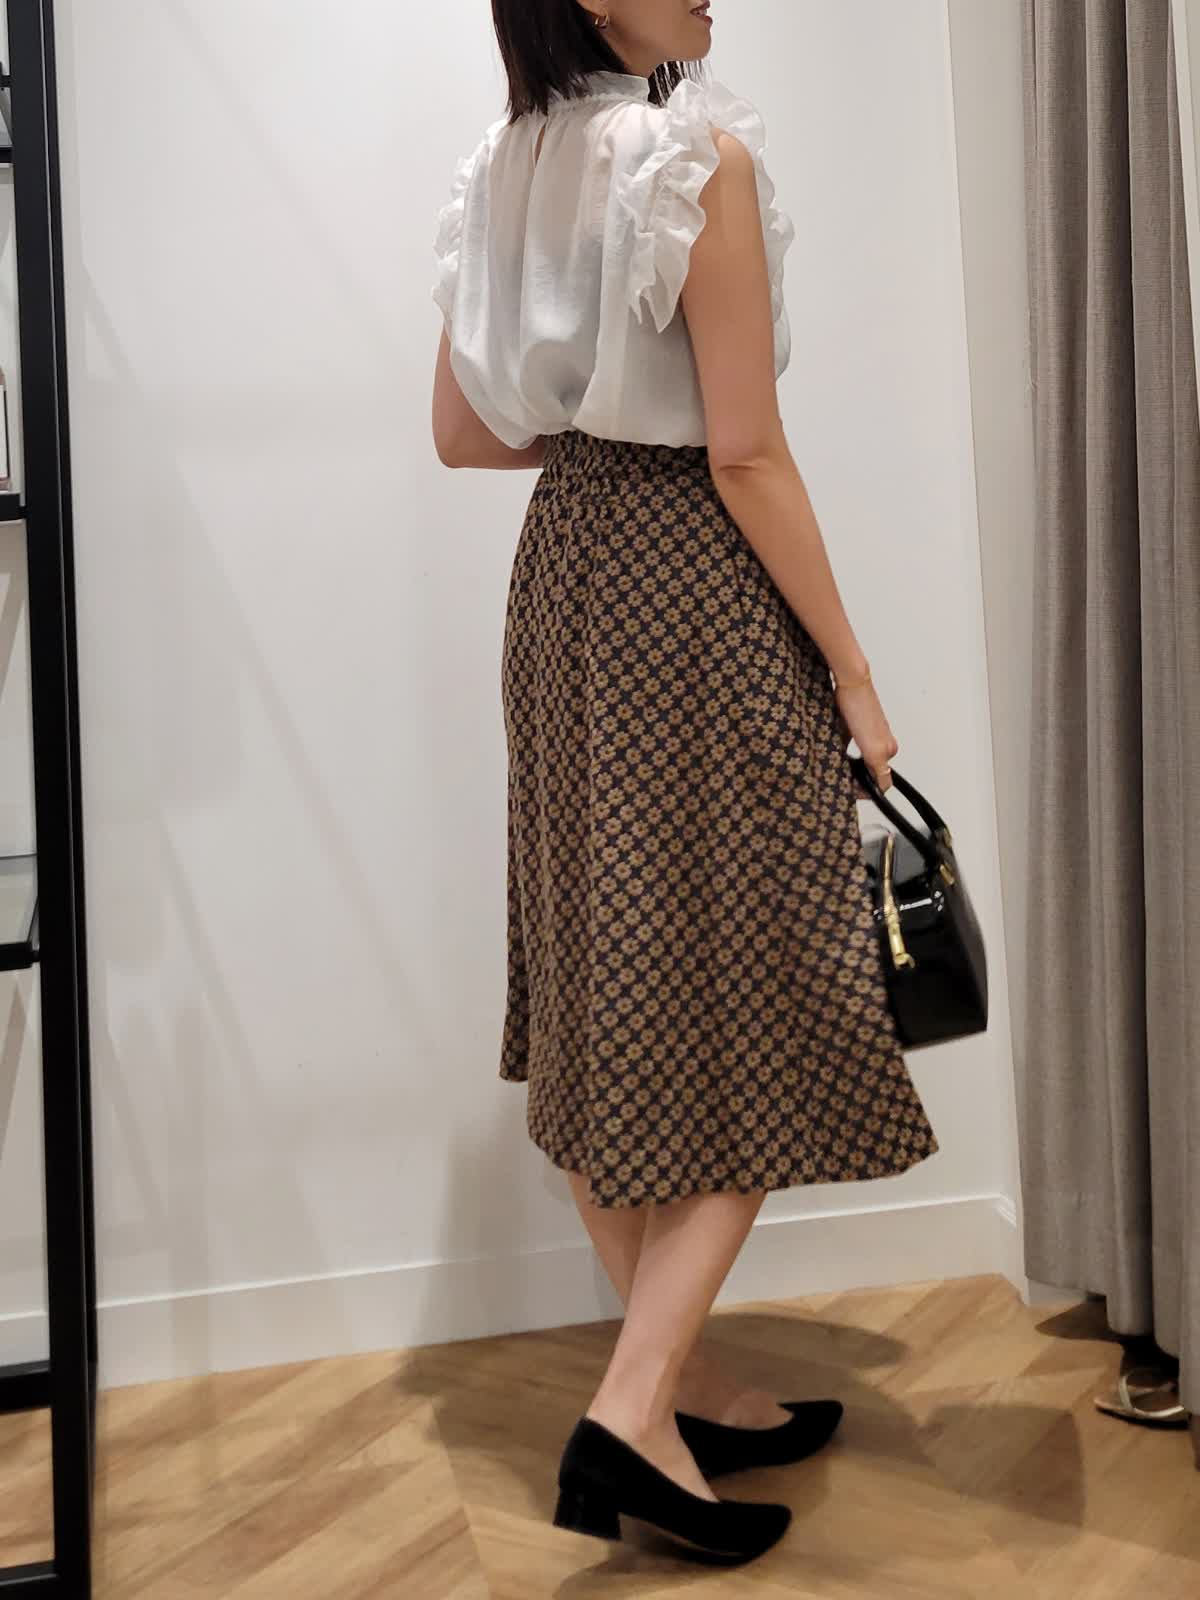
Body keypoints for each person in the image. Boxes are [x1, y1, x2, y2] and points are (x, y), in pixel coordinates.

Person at [430, 0, 940, 1567]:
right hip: (691, 590)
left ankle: (685, 1385)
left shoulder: (505, 163)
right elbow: (746, 454)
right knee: (761, 990)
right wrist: (854, 673)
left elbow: (464, 434)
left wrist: (595, 420)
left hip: (564, 584)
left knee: (607, 988)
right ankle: (632, 1411)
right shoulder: (690, 160)